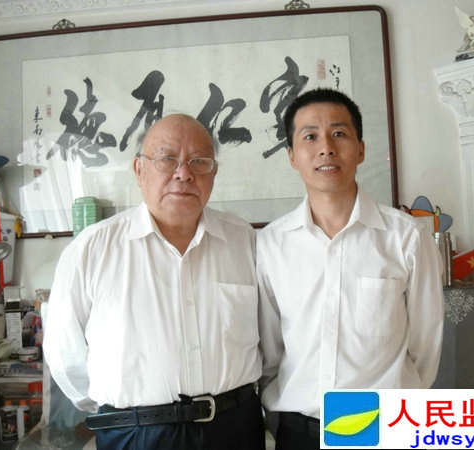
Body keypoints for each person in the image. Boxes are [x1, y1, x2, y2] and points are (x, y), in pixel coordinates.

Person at [43, 114, 265, 450]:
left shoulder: (243, 240)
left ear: (213, 172)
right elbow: (64, 353)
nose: (184, 173)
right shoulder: (93, 248)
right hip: (135, 434)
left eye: (199, 161)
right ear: (139, 169)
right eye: (167, 159)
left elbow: (270, 336)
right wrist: (126, 412)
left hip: (233, 428)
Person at [257, 89, 444, 449]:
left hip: (382, 427)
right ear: (292, 156)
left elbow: (425, 346)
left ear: (360, 150)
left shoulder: (406, 237)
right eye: (310, 136)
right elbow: (271, 351)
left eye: (339, 133)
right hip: (300, 431)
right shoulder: (271, 244)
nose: (326, 148)